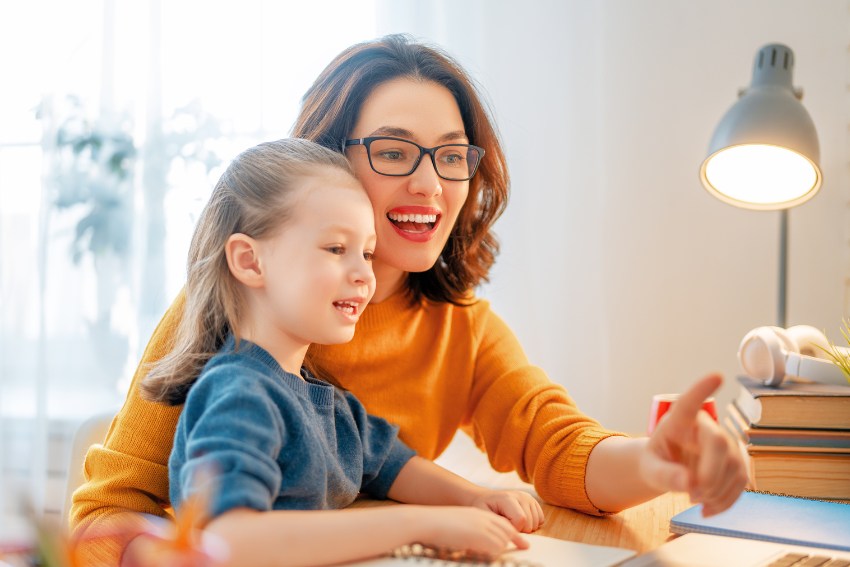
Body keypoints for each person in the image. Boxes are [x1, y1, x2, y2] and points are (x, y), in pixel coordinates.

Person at [71, 34, 747, 566]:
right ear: (329, 162)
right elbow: (104, 518)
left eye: (453, 156)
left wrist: (657, 462)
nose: (431, 184)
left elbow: (561, 447)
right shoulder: (232, 310)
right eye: (395, 152)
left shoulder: (462, 329)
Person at [136, 137, 543, 566]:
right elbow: (228, 540)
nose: (365, 275)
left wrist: (476, 498)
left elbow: (389, 463)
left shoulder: (324, 401)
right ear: (250, 261)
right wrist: (423, 525)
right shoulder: (238, 395)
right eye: (336, 249)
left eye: (367, 253)